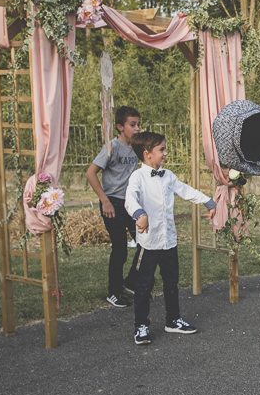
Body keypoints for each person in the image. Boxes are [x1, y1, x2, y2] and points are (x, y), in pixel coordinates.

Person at [124, 131, 216, 345]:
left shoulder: (168, 175)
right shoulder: (138, 177)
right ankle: (141, 325)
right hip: (149, 242)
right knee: (143, 285)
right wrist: (140, 214)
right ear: (147, 154)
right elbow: (130, 199)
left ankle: (173, 320)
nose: (165, 153)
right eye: (161, 150)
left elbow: (185, 190)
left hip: (169, 241)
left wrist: (208, 201)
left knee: (171, 281)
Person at [85, 106, 142, 307]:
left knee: (145, 244)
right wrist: (105, 201)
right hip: (113, 203)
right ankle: (114, 292)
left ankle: (132, 283)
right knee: (120, 249)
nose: (136, 129)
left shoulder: (137, 147)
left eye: (138, 124)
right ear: (120, 127)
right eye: (131, 125)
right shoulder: (112, 148)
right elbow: (90, 173)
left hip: (131, 204)